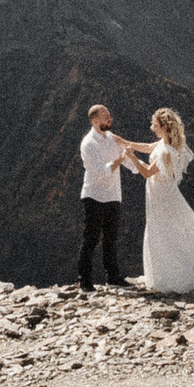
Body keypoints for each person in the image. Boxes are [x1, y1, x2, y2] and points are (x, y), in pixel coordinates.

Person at [129, 106, 194, 294]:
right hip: (162, 192)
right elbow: (147, 147)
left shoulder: (166, 152)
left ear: (164, 127)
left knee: (165, 232)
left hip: (162, 196)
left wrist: (131, 157)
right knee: (173, 230)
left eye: (154, 125)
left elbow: (146, 172)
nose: (151, 127)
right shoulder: (165, 144)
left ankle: (174, 277)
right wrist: (122, 141)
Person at [77, 104, 144, 291]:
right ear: (95, 120)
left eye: (109, 116)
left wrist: (149, 169)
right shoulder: (88, 143)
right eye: (106, 117)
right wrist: (121, 159)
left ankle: (113, 277)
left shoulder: (112, 139)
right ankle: (85, 280)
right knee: (90, 238)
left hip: (113, 195)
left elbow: (130, 162)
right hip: (94, 196)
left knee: (111, 239)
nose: (110, 119)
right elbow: (102, 172)